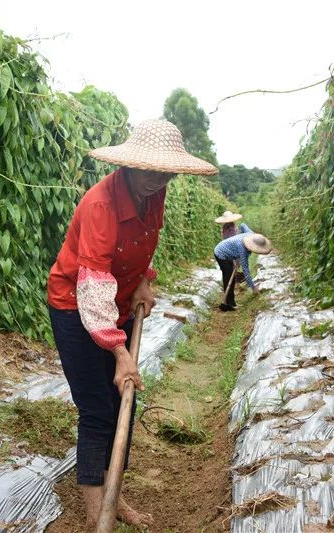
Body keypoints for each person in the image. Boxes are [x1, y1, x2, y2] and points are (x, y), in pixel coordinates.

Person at [46, 119, 217, 529]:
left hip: (117, 302)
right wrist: (120, 353)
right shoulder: (101, 205)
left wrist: (143, 281)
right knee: (97, 411)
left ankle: (114, 498)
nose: (155, 180)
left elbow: (141, 246)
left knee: (125, 400)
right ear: (129, 165)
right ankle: (95, 514)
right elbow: (93, 285)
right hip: (75, 306)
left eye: (164, 173)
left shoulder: (153, 195)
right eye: (147, 171)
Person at [214, 233, 273, 311]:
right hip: (220, 253)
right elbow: (245, 270)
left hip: (227, 251)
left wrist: (235, 260)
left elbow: (243, 225)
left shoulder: (251, 236)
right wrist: (253, 287)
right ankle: (229, 304)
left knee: (232, 278)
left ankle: (232, 302)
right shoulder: (242, 249)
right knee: (228, 278)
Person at [215, 210, 253, 285]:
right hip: (232, 247)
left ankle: (234, 279)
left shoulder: (226, 227)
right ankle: (234, 279)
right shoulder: (229, 228)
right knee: (234, 264)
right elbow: (231, 238)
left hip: (230, 247)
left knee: (234, 265)